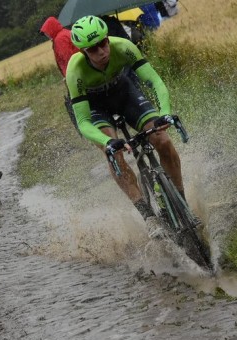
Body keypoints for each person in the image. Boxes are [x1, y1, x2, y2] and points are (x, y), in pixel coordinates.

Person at [66, 15, 184, 237]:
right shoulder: (75, 71)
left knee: (161, 139)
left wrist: (165, 113)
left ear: (108, 39)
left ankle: (181, 201)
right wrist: (107, 142)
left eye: (103, 43)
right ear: (83, 52)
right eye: (93, 49)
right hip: (95, 106)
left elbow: (155, 81)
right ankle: (147, 216)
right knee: (114, 155)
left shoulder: (124, 47)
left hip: (123, 93)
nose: (101, 52)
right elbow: (83, 121)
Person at [40, 16, 80, 133]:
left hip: (75, 75)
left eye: (47, 32)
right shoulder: (64, 33)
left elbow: (68, 59)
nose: (47, 36)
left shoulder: (60, 39)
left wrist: (69, 77)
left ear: (51, 29)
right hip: (77, 72)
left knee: (77, 104)